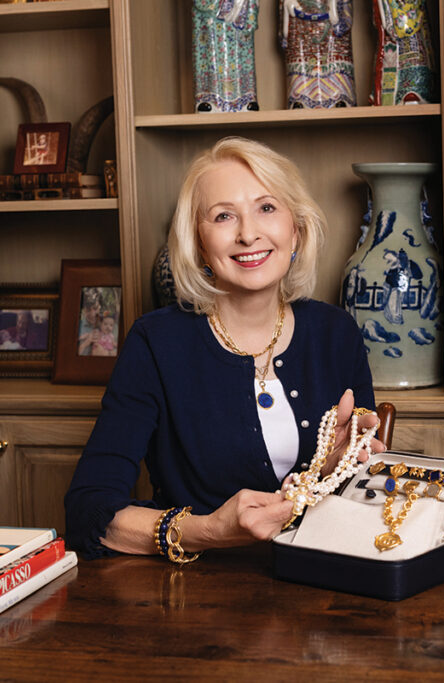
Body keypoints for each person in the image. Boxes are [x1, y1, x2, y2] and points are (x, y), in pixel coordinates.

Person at [64, 136, 384, 560]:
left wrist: (334, 470)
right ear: (198, 243)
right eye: (223, 216)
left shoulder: (336, 331)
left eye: (266, 208)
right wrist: (208, 531)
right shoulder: (156, 343)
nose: (248, 233)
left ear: (297, 228)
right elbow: (88, 513)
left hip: (323, 587)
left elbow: (363, 499)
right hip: (195, 596)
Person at [279, 0, 356, 109]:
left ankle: (338, 96)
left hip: (330, 27)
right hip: (300, 18)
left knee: (335, 53)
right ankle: (301, 97)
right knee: (300, 54)